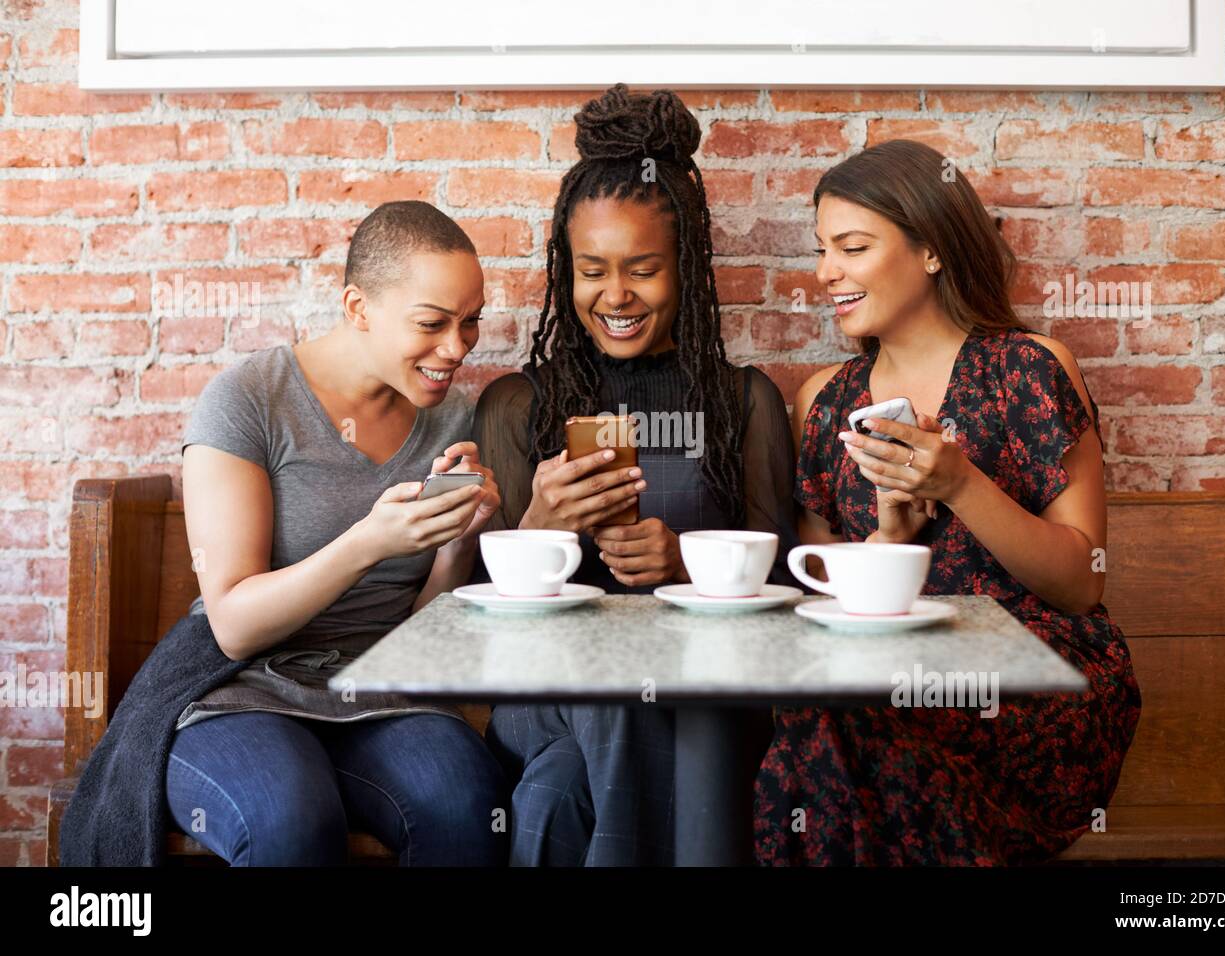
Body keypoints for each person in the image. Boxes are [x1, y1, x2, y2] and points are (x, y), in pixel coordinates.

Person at [754, 140, 1142, 865]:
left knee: (839, 737)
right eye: (822, 249)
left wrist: (961, 484)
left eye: (852, 247)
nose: (824, 272)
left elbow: (1080, 580)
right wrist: (891, 541)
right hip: (888, 683)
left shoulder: (1028, 367)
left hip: (1034, 681)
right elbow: (832, 618)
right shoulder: (824, 402)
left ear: (931, 250)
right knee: (834, 727)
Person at [471, 84, 798, 865]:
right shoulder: (520, 406)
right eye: (592, 270)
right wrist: (540, 528)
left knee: (553, 797)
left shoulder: (741, 403)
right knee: (618, 687)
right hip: (547, 695)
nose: (614, 295)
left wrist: (685, 562)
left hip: (709, 691)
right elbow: (479, 621)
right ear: (567, 269)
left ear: (685, 267)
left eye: (643, 269)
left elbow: (789, 587)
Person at [167, 200, 508, 866]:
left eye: (470, 323)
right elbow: (233, 623)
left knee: (472, 808)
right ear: (358, 309)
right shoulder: (248, 402)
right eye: (433, 324)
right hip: (243, 689)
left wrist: (458, 540)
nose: (458, 348)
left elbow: (422, 633)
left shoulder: (453, 419)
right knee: (291, 823)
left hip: (380, 692)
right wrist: (368, 542)